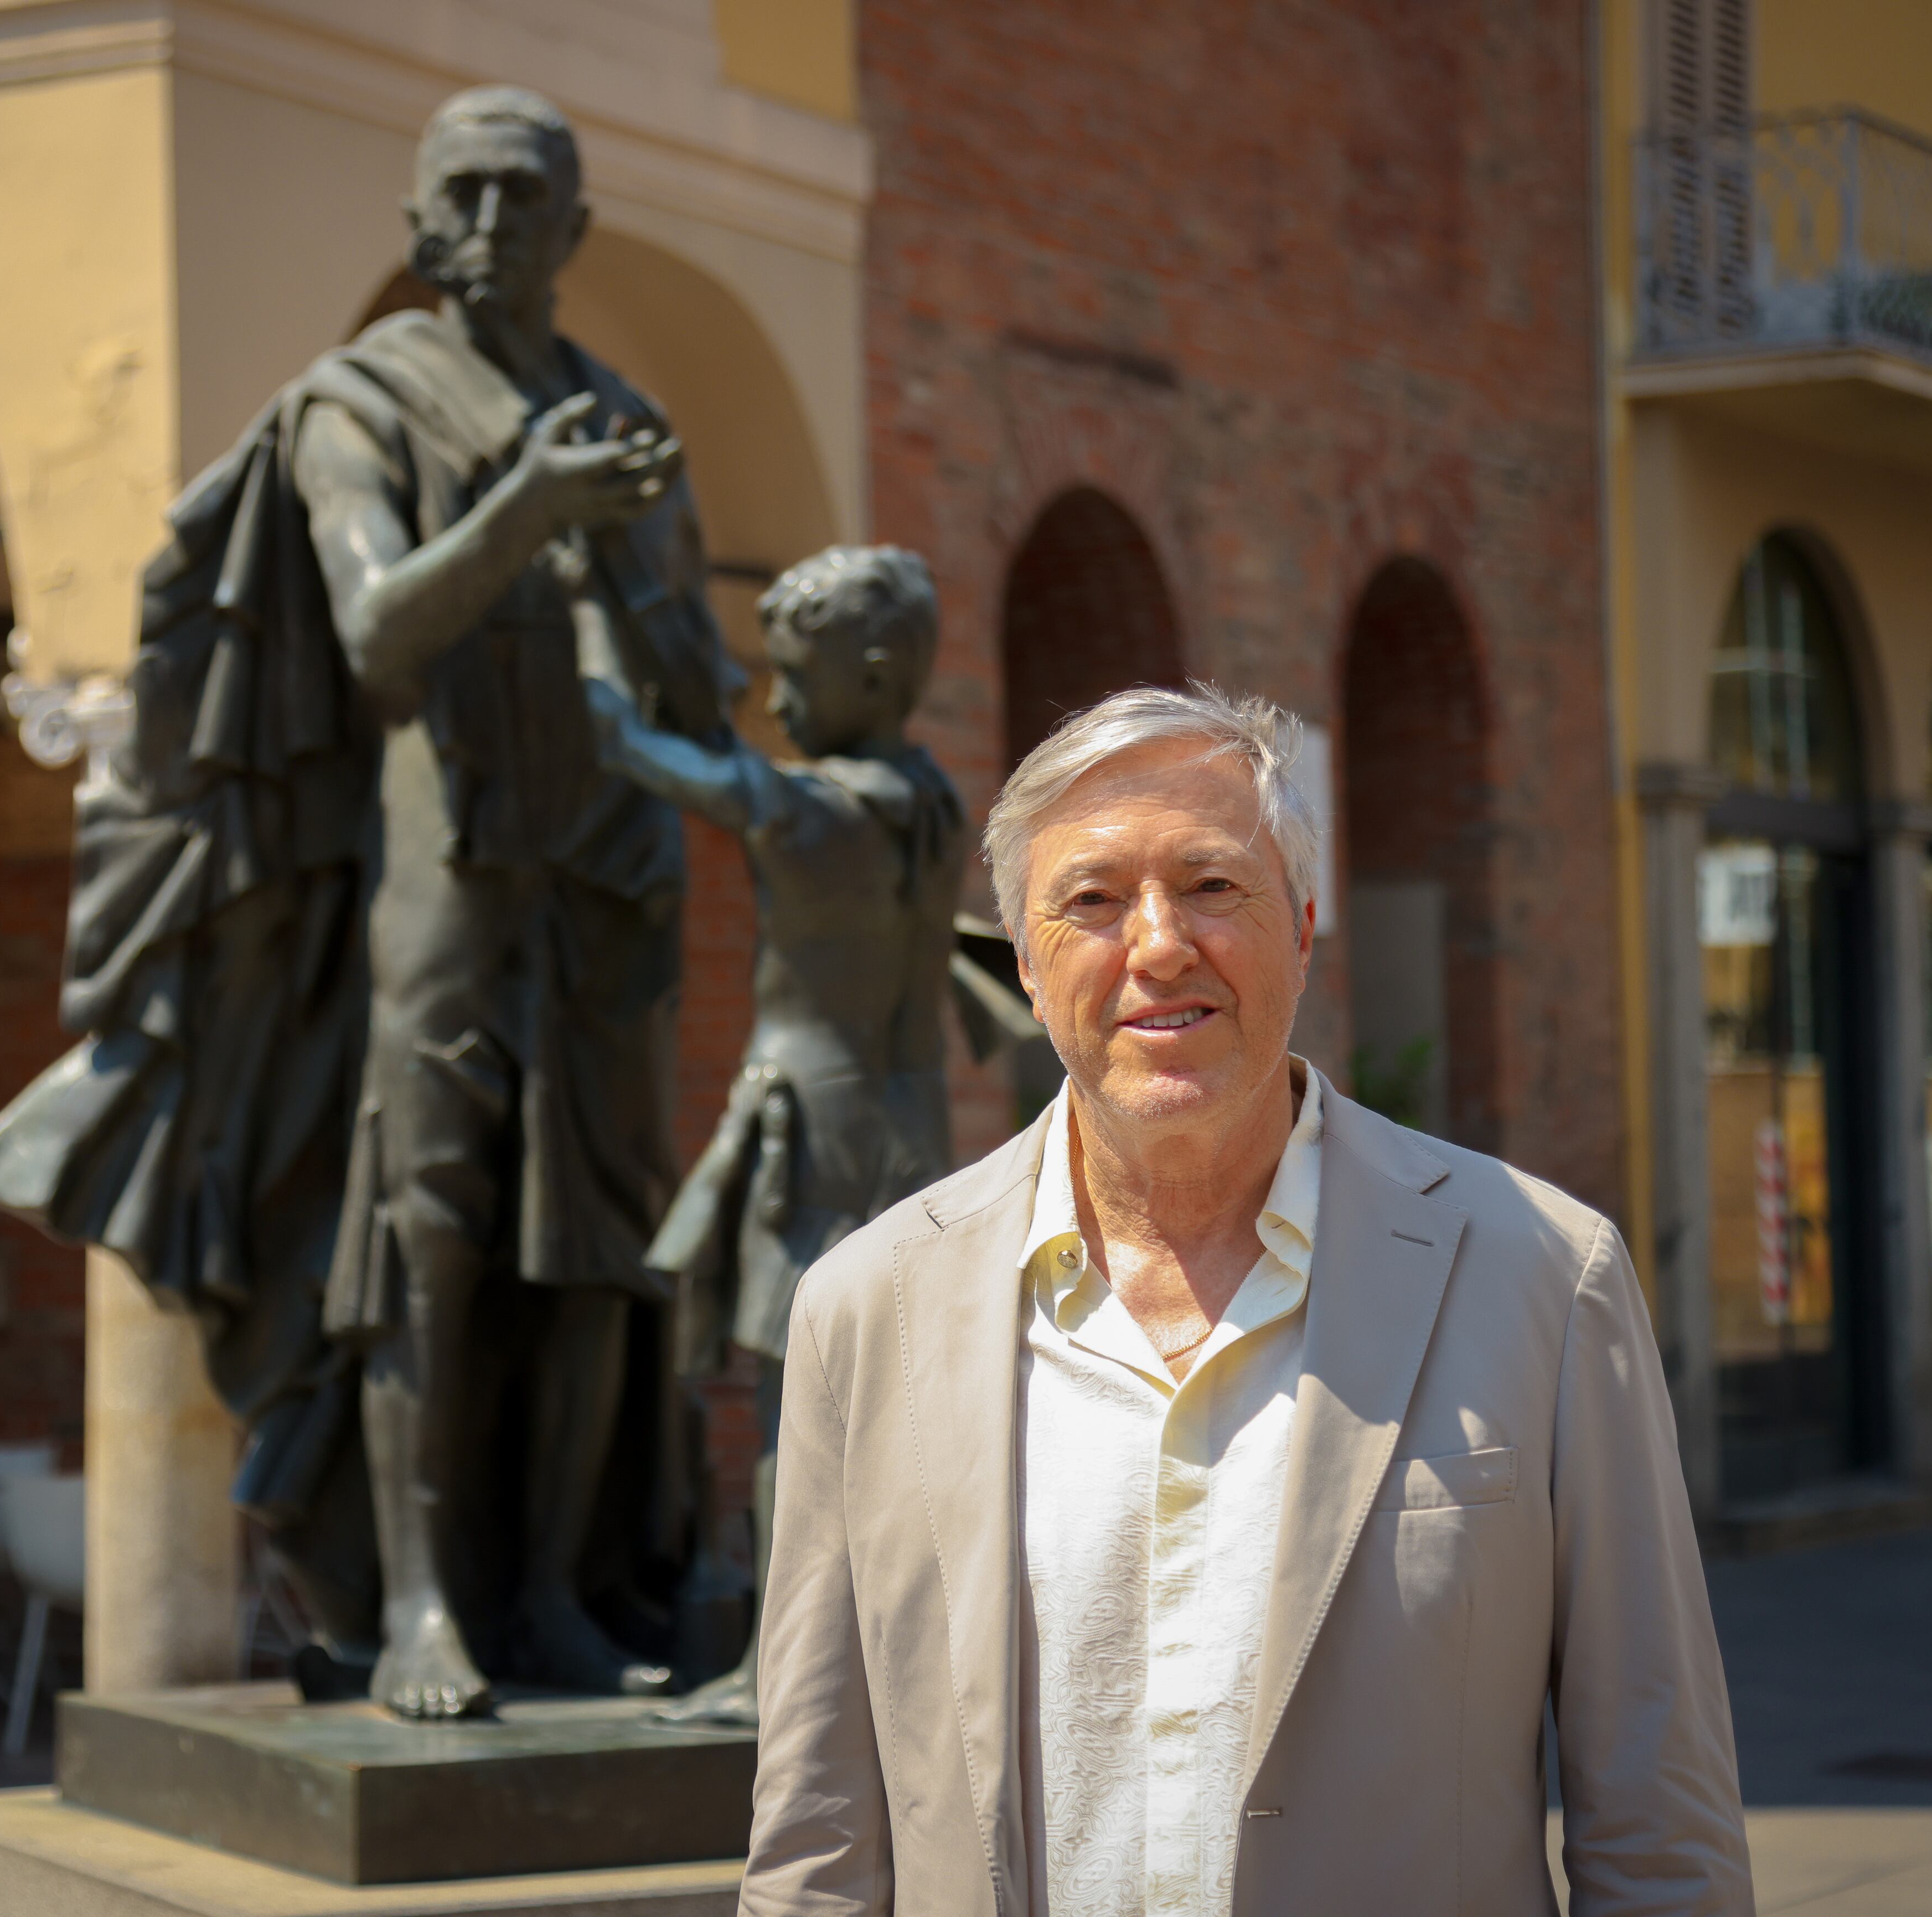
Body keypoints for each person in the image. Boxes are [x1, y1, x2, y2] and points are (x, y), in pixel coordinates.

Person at [0, 85, 731, 1720]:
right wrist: (531, 513)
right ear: (420, 226)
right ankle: (426, 1604)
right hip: (438, 865)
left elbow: (697, 690)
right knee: (423, 1234)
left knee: (594, 1250)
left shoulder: (621, 416)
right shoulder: (359, 403)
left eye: (529, 196)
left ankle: (552, 1595)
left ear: (577, 229)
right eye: (466, 193)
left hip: (604, 874)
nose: (496, 223)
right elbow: (378, 629)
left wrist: (632, 578)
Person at [741, 683, 1752, 1915]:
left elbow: (1657, 1818)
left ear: (1306, 922)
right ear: (1024, 960)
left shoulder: (1542, 1272)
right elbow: (816, 1841)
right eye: (1092, 902)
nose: (1158, 944)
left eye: (1213, 885)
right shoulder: (867, 1310)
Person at [570, 545, 965, 1727]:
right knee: (876, 1415)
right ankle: (861, 1668)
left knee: (802, 1413)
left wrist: (591, 605)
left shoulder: (824, 813)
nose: (775, 702)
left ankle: (777, 1675)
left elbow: (630, 749)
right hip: (908, 1127)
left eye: (795, 677)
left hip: (819, 1137)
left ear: (881, 674)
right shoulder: (934, 799)